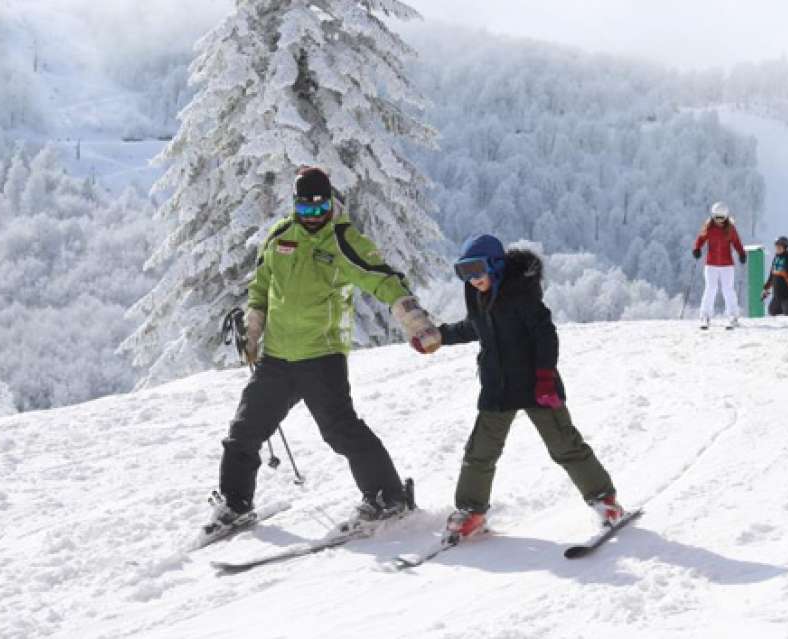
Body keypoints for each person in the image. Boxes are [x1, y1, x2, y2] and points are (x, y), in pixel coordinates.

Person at [206, 166, 442, 537]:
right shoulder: (281, 236)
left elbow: (383, 278)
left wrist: (416, 322)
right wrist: (252, 333)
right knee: (245, 429)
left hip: (322, 355)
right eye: (306, 210)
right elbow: (261, 287)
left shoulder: (343, 240)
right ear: (295, 205)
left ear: (331, 204)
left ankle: (388, 497)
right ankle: (235, 504)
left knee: (340, 431)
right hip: (278, 356)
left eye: (321, 209)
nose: (314, 217)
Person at [418, 234, 625, 541]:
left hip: (535, 385)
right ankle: (471, 511)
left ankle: (605, 500)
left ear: (496, 266)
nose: (472, 279)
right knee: (480, 452)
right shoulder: (477, 294)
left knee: (564, 444)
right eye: (464, 272)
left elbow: (546, 335)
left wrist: (544, 376)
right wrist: (439, 335)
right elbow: (474, 326)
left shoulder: (522, 294)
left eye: (477, 270)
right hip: (497, 387)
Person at [692, 201, 747, 329]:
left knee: (728, 289)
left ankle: (733, 315)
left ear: (726, 217)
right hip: (711, 264)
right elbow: (700, 239)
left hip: (727, 265)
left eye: (722, 218)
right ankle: (705, 315)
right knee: (711, 288)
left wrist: (741, 253)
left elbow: (737, 242)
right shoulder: (708, 227)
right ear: (713, 216)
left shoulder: (730, 228)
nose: (719, 221)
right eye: (717, 218)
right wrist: (697, 249)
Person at [761, 236, 788, 316]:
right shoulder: (776, 259)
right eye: (776, 247)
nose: (777, 249)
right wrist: (765, 289)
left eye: (779, 247)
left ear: (786, 248)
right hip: (777, 296)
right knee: (772, 311)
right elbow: (772, 276)